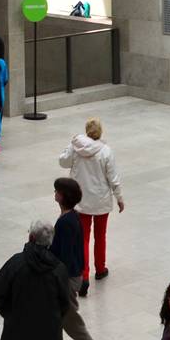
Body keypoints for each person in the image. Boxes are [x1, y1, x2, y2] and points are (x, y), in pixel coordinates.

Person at [52, 179, 112, 340]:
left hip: (66, 280)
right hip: (70, 277)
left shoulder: (66, 222)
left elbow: (65, 257)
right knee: (53, 319)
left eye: (57, 191)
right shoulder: (71, 217)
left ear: (62, 196)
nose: (55, 193)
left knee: (72, 325)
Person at [58, 116, 124, 288]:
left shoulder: (76, 147)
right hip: (101, 201)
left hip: (81, 201)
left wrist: (69, 147)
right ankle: (100, 269)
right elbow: (113, 178)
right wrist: (119, 198)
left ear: (86, 131)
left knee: (83, 239)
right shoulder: (106, 151)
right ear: (100, 132)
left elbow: (62, 162)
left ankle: (84, 275)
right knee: (100, 236)